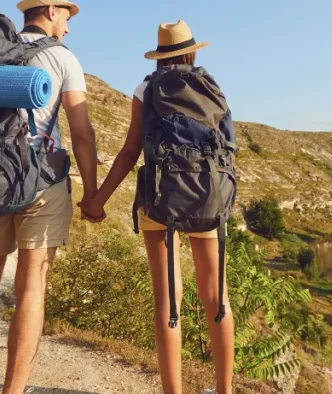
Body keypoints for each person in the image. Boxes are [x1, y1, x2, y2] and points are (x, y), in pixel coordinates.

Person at [0, 0, 104, 394]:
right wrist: (91, 193)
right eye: (67, 17)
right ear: (52, 11)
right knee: (31, 287)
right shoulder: (63, 59)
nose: (69, 28)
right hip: (41, 182)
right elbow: (82, 132)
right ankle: (14, 391)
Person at [80, 20, 234, 394]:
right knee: (217, 296)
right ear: (192, 52)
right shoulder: (211, 88)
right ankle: (225, 390)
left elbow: (131, 151)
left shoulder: (145, 88)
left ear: (160, 56)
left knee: (168, 299)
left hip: (159, 198)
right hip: (205, 192)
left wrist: (97, 199)